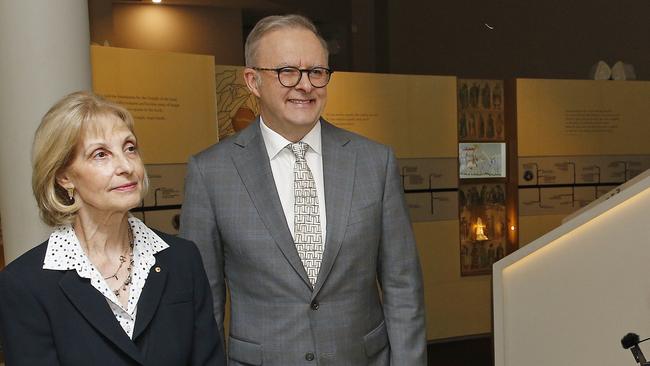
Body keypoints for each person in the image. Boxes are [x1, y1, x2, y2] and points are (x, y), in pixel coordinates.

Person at [180, 14, 426, 365]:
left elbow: (403, 287)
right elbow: (205, 302)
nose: (305, 85)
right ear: (253, 81)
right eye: (287, 72)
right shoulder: (211, 172)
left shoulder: (374, 162)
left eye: (316, 72)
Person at [0, 92, 226, 366]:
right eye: (100, 154)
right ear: (64, 176)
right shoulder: (25, 284)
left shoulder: (182, 258)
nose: (126, 166)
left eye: (129, 148)